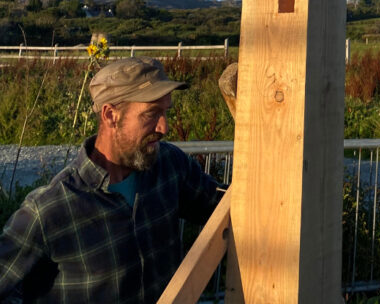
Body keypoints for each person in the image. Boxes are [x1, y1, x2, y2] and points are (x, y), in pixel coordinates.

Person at [0, 57, 222, 303]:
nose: (164, 127)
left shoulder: (170, 167)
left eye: (165, 112)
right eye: (151, 114)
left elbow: (230, 207)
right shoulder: (50, 210)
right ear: (110, 115)